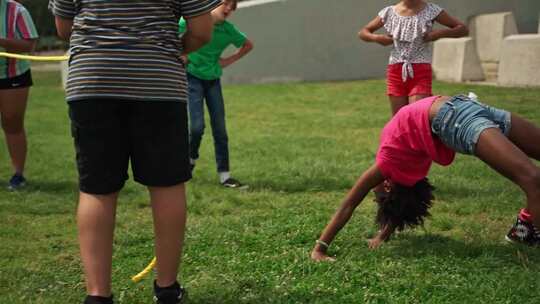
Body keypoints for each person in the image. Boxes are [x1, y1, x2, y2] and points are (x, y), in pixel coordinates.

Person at [48, 0, 220, 303]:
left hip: (93, 80)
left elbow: (63, 27)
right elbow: (202, 31)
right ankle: (167, 289)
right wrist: (167, 47)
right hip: (158, 81)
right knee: (166, 184)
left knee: (96, 188)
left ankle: (98, 296)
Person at [311, 94, 540, 262]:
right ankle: (528, 228)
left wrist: (383, 235)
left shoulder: (409, 174)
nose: (374, 189)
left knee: (534, 181)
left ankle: (524, 229)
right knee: (533, 181)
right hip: (457, 119)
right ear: (388, 186)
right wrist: (320, 248)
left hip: (468, 106)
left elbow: (396, 208)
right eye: (377, 193)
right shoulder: (388, 165)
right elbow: (349, 203)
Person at [179, 0, 253, 188]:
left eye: (233, 6)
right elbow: (170, 34)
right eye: (225, 3)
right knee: (196, 127)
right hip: (193, 78)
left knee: (220, 129)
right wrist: (182, 54)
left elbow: (247, 45)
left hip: (213, 80)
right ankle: (191, 157)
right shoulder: (190, 21)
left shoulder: (228, 30)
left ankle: (225, 176)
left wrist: (228, 61)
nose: (229, 9)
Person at [358, 0, 468, 115]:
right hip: (395, 70)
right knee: (399, 118)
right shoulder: (389, 12)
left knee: (416, 115)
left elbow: (463, 29)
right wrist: (377, 38)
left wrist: (438, 34)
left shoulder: (431, 10)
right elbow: (363, 32)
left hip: (420, 69)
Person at [0, 0, 38, 190]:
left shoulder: (16, 10)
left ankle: (18, 175)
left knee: (12, 122)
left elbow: (29, 46)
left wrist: (2, 41)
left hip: (13, 74)